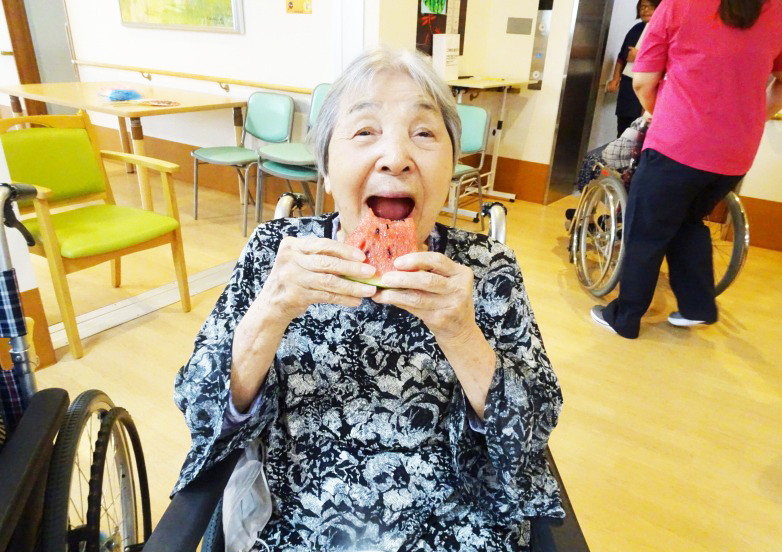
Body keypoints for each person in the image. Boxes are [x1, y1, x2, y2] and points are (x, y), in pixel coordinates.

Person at [173, 47, 563, 551]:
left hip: (452, 527)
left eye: (424, 133)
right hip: (299, 525)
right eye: (364, 132)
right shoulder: (277, 255)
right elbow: (201, 411)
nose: (396, 156)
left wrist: (462, 334)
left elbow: (535, 433)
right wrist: (271, 312)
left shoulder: (487, 270)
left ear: (450, 170)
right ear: (328, 170)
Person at [591, 0, 782, 339]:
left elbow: (642, 81)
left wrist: (665, 116)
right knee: (688, 219)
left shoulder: (680, 4)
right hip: (735, 154)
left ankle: (625, 317)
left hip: (678, 143)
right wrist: (749, 118)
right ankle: (698, 307)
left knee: (646, 230)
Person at [606, 0, 661, 137]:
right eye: (642, 7)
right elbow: (621, 57)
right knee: (623, 131)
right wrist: (615, 79)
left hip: (648, 90)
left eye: (651, 7)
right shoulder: (635, 29)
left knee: (640, 135)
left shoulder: (662, 31)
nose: (646, 10)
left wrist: (640, 56)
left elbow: (665, 63)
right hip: (628, 88)